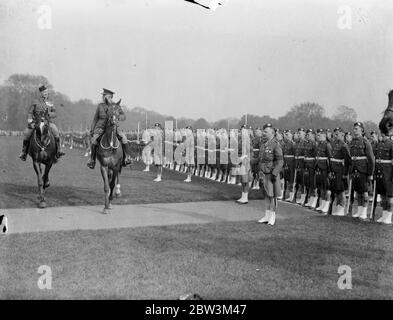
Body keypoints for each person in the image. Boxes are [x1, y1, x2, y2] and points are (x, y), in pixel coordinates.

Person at [87, 88, 132, 169]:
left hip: (114, 127)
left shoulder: (116, 105)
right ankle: (92, 160)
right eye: (103, 96)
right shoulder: (100, 106)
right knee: (94, 140)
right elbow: (95, 119)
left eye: (105, 96)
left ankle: (127, 158)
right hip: (100, 128)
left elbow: (124, 116)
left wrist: (117, 116)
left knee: (124, 138)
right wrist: (92, 129)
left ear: (110, 97)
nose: (103, 97)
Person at [19, 85, 65, 161]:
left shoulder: (50, 102)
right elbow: (30, 112)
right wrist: (30, 120)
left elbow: (55, 113)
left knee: (56, 131)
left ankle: (58, 150)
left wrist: (50, 114)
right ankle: (24, 152)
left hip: (47, 122)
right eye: (44, 92)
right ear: (41, 93)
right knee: (27, 133)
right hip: (36, 122)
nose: (46, 93)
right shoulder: (35, 101)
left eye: (47, 92)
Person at [257, 123, 284, 226]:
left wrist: (274, 173)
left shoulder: (276, 144)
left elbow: (280, 161)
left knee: (273, 196)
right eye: (263, 132)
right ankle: (266, 215)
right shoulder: (264, 144)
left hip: (271, 174)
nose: (263, 133)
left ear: (272, 132)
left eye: (266, 132)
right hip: (263, 173)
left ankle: (272, 217)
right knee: (266, 195)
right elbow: (260, 159)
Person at [348, 122, 375, 219]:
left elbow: (371, 159)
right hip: (354, 169)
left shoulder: (365, 142)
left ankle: (364, 211)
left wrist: (370, 173)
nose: (355, 130)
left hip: (363, 169)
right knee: (358, 192)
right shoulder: (352, 142)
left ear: (362, 130)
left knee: (364, 191)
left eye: (357, 128)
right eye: (354, 128)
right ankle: (359, 211)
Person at [329, 127, 351, 216]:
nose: (336, 135)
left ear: (342, 134)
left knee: (341, 191)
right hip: (334, 169)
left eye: (338, 133)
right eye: (335, 133)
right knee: (335, 190)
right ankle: (337, 208)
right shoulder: (332, 144)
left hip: (340, 170)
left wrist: (345, 173)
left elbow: (348, 161)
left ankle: (341, 209)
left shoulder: (344, 145)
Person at [374, 132, 393, 224]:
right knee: (382, 194)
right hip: (379, 171)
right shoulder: (379, 144)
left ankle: (389, 216)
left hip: (388, 172)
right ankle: (384, 214)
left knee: (389, 195)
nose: (382, 135)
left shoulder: (391, 144)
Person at [313, 129, 332, 212]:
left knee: (326, 187)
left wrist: (330, 170)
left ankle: (327, 205)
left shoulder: (327, 145)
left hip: (325, 168)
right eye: (318, 135)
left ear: (324, 136)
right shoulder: (319, 145)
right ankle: (323, 204)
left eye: (320, 135)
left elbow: (330, 158)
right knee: (321, 187)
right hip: (319, 167)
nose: (318, 137)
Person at [283, 129, 296, 201]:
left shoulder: (293, 144)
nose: (286, 136)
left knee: (291, 180)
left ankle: (292, 196)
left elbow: (294, 155)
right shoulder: (285, 144)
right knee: (286, 179)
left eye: (287, 135)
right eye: (286, 135)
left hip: (291, 164)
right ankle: (286, 195)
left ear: (291, 135)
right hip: (286, 163)